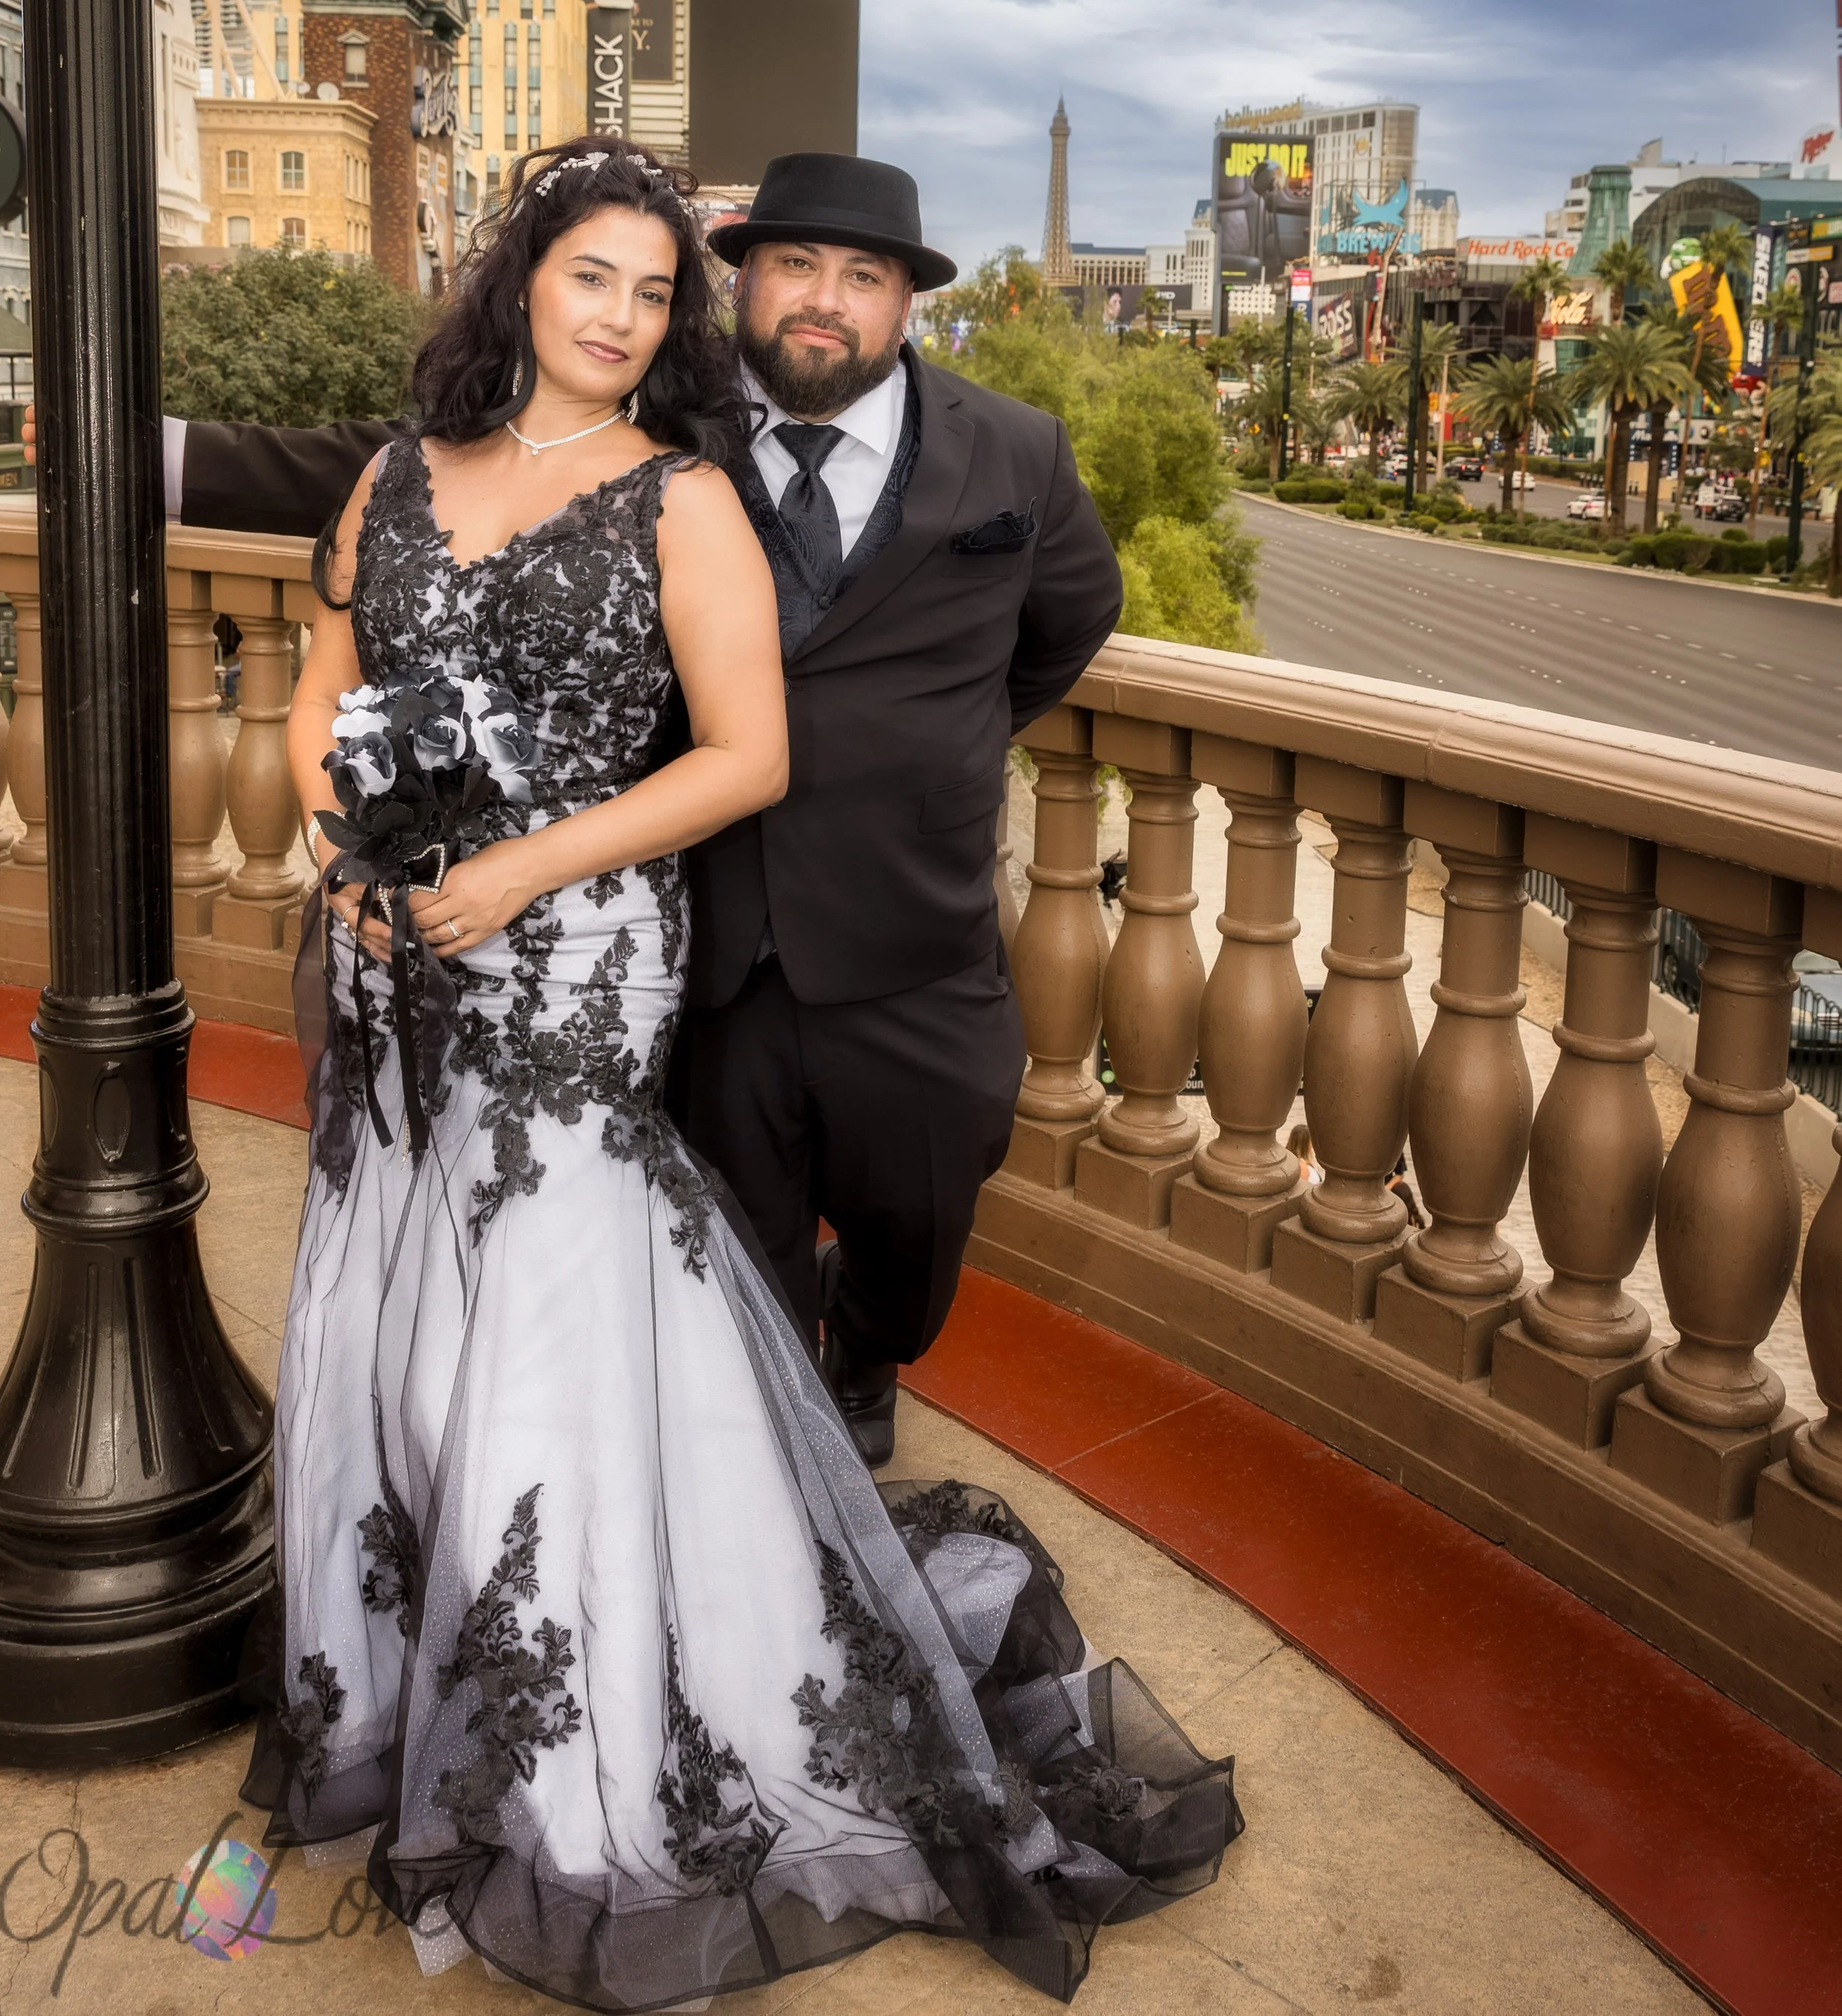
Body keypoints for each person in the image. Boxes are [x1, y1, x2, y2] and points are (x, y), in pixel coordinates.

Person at [237, 141, 1239, 2007]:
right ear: (519, 278)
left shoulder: (702, 493)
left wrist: (530, 865)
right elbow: (323, 693)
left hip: (605, 961)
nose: (619, 318)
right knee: (410, 1314)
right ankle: (414, 1674)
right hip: (410, 975)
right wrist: (344, 848)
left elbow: (791, 731)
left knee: (563, 1310)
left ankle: (579, 1737)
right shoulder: (394, 471)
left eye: (647, 292)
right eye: (588, 279)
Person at [163, 144, 1125, 1472]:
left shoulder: (1017, 453)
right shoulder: (677, 427)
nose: (822, 300)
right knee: (724, 1247)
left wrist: (943, 751)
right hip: (711, 922)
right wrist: (154, 454)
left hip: (910, 933)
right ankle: (772, 1471)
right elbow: (445, 477)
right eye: (792, 264)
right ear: (742, 286)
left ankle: (869, 1341)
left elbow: (1069, 626)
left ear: (908, 301)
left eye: (862, 275)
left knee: (924, 1210)